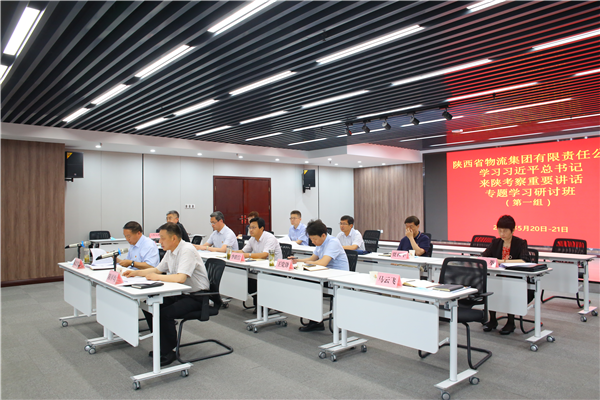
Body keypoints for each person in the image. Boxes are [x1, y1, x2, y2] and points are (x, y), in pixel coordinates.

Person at [123, 222, 209, 366]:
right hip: (181, 292)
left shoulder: (187, 250)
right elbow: (157, 270)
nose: (160, 241)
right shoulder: (170, 250)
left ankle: (170, 350)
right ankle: (162, 345)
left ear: (173, 238)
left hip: (198, 296)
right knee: (150, 306)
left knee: (165, 313)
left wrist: (157, 277)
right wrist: (135, 273)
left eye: (162, 238)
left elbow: (180, 278)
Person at [291, 219, 349, 332]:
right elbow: (312, 259)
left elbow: (322, 263)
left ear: (323, 235)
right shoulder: (320, 243)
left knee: (308, 284)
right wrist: (297, 261)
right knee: (302, 281)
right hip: (324, 276)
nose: (313, 242)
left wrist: (304, 263)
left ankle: (316, 321)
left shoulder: (333, 242)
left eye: (314, 239)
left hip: (337, 280)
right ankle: (315, 320)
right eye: (311, 239)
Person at [481, 215, 531, 335]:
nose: (502, 234)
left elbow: (525, 260)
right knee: (491, 286)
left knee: (510, 289)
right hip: (498, 277)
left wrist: (502, 261)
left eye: (505, 231)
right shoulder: (496, 242)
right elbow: (484, 257)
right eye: (500, 230)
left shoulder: (520, 243)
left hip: (515, 279)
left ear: (512, 230)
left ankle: (511, 322)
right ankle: (492, 320)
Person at [236, 217, 282, 309]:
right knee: (246, 278)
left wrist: (247, 255)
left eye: (254, 227)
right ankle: (258, 303)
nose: (251, 230)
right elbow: (243, 251)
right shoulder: (252, 239)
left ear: (261, 229)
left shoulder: (269, 238)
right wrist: (231, 253)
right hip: (259, 267)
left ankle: (264, 305)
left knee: (254, 280)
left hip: (273, 269)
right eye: (250, 227)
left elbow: (264, 255)